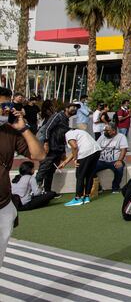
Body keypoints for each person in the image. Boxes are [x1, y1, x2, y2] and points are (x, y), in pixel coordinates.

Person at [1, 88, 46, 267]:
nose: (6, 109)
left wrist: (24, 128)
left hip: (2, 206)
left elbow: (39, 155)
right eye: (2, 105)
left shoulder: (10, 131)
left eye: (8, 105)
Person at [36, 103, 77, 195]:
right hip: (51, 148)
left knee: (51, 171)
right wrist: (46, 143)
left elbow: (63, 136)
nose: (75, 109)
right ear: (66, 108)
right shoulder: (57, 116)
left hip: (58, 149)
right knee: (43, 169)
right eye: (73, 107)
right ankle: (35, 192)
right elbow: (47, 128)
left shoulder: (66, 120)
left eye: (76, 108)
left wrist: (63, 151)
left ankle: (47, 191)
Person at [59, 127, 101, 206]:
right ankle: (87, 197)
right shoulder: (79, 132)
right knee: (89, 175)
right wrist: (65, 162)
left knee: (80, 175)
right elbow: (75, 150)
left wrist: (75, 159)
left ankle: (78, 198)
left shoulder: (68, 134)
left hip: (86, 152)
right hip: (96, 151)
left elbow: (74, 147)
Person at [94, 124, 128, 193]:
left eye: (107, 130)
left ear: (114, 131)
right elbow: (96, 147)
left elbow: (123, 150)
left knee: (119, 168)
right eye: (104, 130)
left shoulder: (121, 137)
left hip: (115, 160)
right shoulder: (102, 136)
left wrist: (119, 160)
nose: (105, 132)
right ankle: (98, 187)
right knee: (90, 168)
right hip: (102, 161)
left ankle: (115, 187)